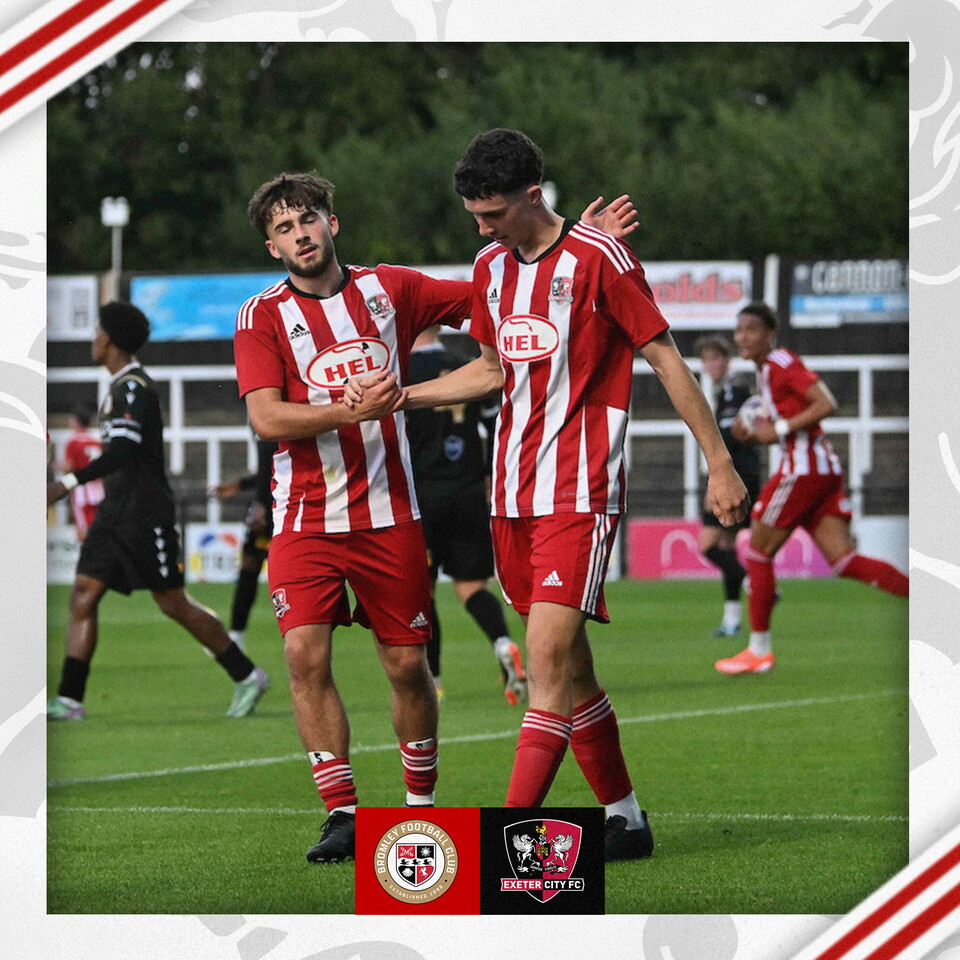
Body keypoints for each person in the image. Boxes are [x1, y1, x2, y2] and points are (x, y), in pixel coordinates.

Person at [237, 171, 638, 864]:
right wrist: (348, 410)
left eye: (308, 219)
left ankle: (418, 805)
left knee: (404, 664)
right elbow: (266, 416)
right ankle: (342, 813)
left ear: (334, 221)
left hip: (393, 513)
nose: (300, 234)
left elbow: (501, 293)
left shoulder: (391, 288)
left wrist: (578, 247)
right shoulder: (262, 316)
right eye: (283, 228)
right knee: (304, 655)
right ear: (272, 247)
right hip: (304, 515)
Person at [393, 129, 748, 861]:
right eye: (473, 215)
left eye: (491, 213)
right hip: (509, 495)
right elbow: (491, 371)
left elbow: (666, 360)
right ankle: (625, 818)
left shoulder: (600, 259)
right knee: (574, 669)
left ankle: (502, 851)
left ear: (533, 194)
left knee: (546, 663)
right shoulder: (490, 265)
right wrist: (401, 395)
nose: (481, 228)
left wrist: (719, 461)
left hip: (578, 491)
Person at [46, 301, 270, 721]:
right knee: (83, 594)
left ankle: (246, 674)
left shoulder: (132, 388)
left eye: (97, 332)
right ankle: (70, 699)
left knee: (173, 603)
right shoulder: (118, 387)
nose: (93, 340)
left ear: (108, 339)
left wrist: (67, 482)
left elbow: (125, 451)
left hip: (146, 515)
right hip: (115, 513)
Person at [714, 302, 909, 675]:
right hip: (821, 469)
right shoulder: (767, 373)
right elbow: (785, 420)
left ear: (770, 334)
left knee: (756, 552)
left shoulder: (780, 363)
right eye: (739, 330)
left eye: (752, 329)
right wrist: (759, 435)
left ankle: (758, 651)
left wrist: (779, 430)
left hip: (802, 471)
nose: (743, 337)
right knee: (844, 561)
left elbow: (826, 403)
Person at [406, 324, 526, 705]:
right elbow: (495, 423)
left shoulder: (397, 371)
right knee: (473, 586)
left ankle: (434, 679)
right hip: (470, 489)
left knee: (422, 595)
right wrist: (492, 476)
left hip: (420, 495)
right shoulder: (468, 365)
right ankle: (503, 643)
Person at [693, 335, 761, 637]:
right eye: (707, 360)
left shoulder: (734, 390)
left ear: (727, 360)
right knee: (726, 547)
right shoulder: (725, 392)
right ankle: (732, 621)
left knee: (708, 547)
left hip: (735, 478)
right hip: (741, 474)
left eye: (716, 358)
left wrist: (718, 484)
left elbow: (732, 438)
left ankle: (755, 584)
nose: (711, 365)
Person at [209, 437, 279, 650]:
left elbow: (271, 460)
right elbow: (272, 468)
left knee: (250, 567)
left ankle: (236, 636)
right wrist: (240, 485)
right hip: (278, 499)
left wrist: (259, 503)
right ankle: (236, 635)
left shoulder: (264, 412)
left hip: (275, 504)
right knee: (250, 567)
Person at [61, 404, 105, 542]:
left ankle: (89, 560)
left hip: (82, 491)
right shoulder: (96, 441)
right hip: (100, 490)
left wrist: (55, 467)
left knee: (83, 528)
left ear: (75, 420)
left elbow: (69, 466)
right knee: (99, 526)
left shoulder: (73, 442)